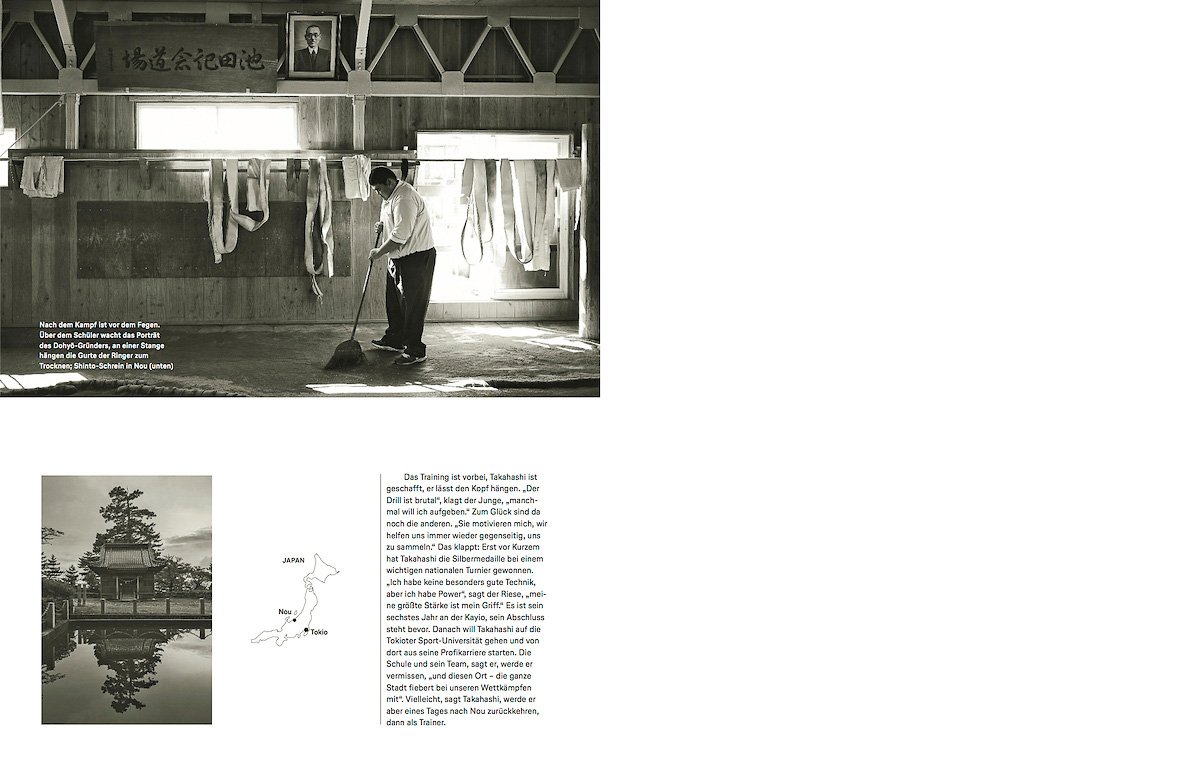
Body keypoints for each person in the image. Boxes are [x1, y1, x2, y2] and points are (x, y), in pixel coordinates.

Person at [367, 166, 437, 365]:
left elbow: (401, 235)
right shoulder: (391, 197)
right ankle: (396, 338)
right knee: (395, 302)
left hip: (416, 258)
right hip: (398, 257)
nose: (379, 194)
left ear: (390, 182)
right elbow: (395, 225)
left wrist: (378, 252)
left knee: (413, 304)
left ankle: (416, 350)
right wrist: (382, 225)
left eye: (380, 189)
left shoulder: (404, 198)